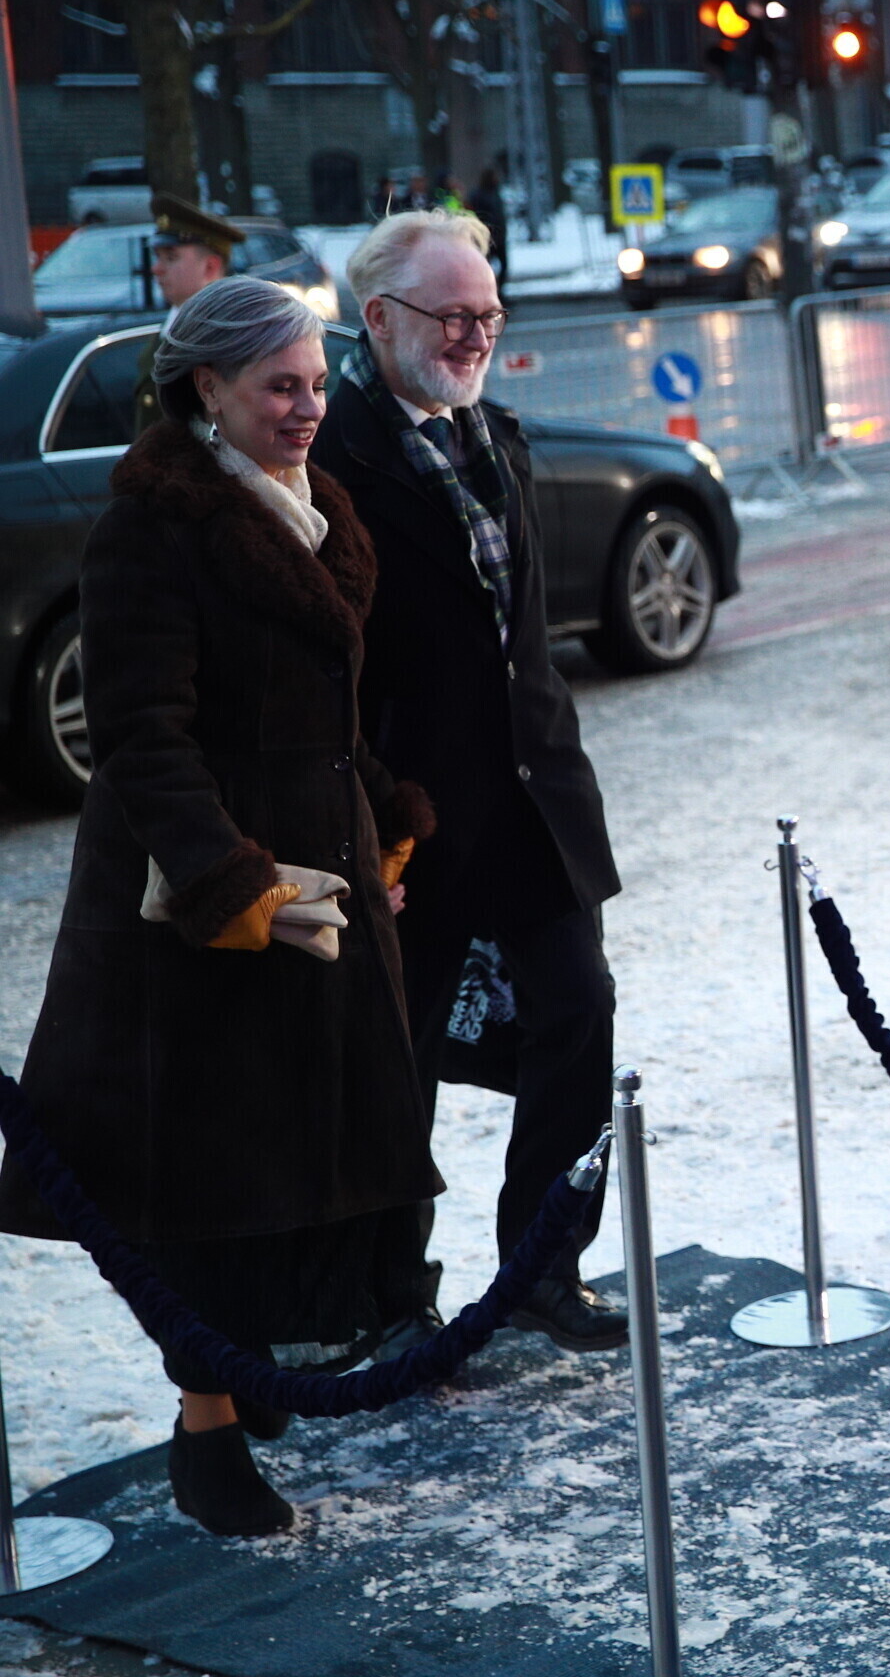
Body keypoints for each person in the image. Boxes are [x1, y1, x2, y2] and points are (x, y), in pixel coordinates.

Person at [0, 278, 442, 1538]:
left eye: (316, 383)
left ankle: (247, 1377)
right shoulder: (154, 527)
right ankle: (206, 1433)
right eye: (279, 387)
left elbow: (324, 714)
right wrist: (230, 884)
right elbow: (141, 739)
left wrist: (384, 814)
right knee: (199, 1189)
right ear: (208, 389)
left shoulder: (312, 505)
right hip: (193, 914)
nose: (309, 407)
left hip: (315, 887)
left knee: (298, 1169)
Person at [314, 211, 627, 1356]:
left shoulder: (492, 431)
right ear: (379, 317)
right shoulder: (332, 454)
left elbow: (518, 638)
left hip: (535, 797)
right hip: (411, 813)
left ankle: (544, 1266)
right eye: (453, 315)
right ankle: (392, 1299)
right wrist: (361, 825)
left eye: (489, 314)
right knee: (399, 1062)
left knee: (577, 1012)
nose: (475, 335)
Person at [132, 194, 243, 432]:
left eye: (170, 257)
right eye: (158, 257)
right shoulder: (172, 327)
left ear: (210, 266)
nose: (156, 269)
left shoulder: (231, 337)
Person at [467, 165, 512, 287]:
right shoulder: (479, 195)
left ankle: (498, 288)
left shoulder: (496, 193)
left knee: (503, 265)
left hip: (499, 236)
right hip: (487, 235)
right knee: (486, 265)